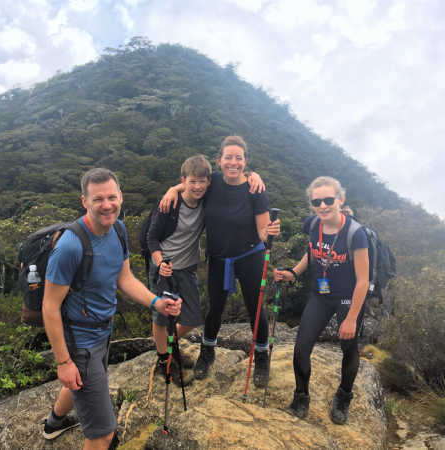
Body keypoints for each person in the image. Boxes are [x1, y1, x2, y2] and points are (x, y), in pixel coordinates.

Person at [41, 168, 182, 449]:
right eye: (98, 199)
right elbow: (50, 307)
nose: (107, 205)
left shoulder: (117, 229)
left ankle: (53, 423)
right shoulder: (70, 246)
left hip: (103, 331)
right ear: (85, 201)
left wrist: (156, 302)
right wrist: (64, 362)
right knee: (103, 433)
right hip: (80, 342)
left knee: (80, 381)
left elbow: (124, 278)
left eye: (111, 197)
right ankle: (79, 422)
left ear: (121, 196)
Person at [160, 136, 280, 388]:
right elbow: (191, 185)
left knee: (255, 307)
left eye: (238, 158)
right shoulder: (212, 182)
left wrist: (269, 233)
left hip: (250, 256)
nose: (233, 162)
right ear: (219, 161)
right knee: (215, 307)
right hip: (218, 258)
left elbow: (261, 231)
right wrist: (173, 189)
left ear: (245, 161)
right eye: (228, 157)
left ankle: (261, 356)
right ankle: (207, 351)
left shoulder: (255, 189)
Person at [274, 176, 369, 425]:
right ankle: (301, 397)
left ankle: (344, 395)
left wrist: (350, 319)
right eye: (317, 202)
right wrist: (293, 272)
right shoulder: (312, 225)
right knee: (301, 348)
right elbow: (312, 254)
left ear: (340, 200)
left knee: (349, 347)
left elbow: (363, 280)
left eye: (328, 200)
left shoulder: (355, 234)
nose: (323, 206)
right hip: (321, 294)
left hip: (348, 298)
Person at [147, 155, 211, 381]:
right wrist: (159, 262)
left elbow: (232, 180)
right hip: (165, 269)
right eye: (192, 181)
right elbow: (152, 238)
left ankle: (168, 345)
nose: (197, 186)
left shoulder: (206, 199)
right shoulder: (170, 204)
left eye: (202, 181)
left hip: (187, 269)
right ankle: (164, 358)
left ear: (208, 182)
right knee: (162, 317)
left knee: (192, 318)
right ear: (183, 180)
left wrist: (253, 176)